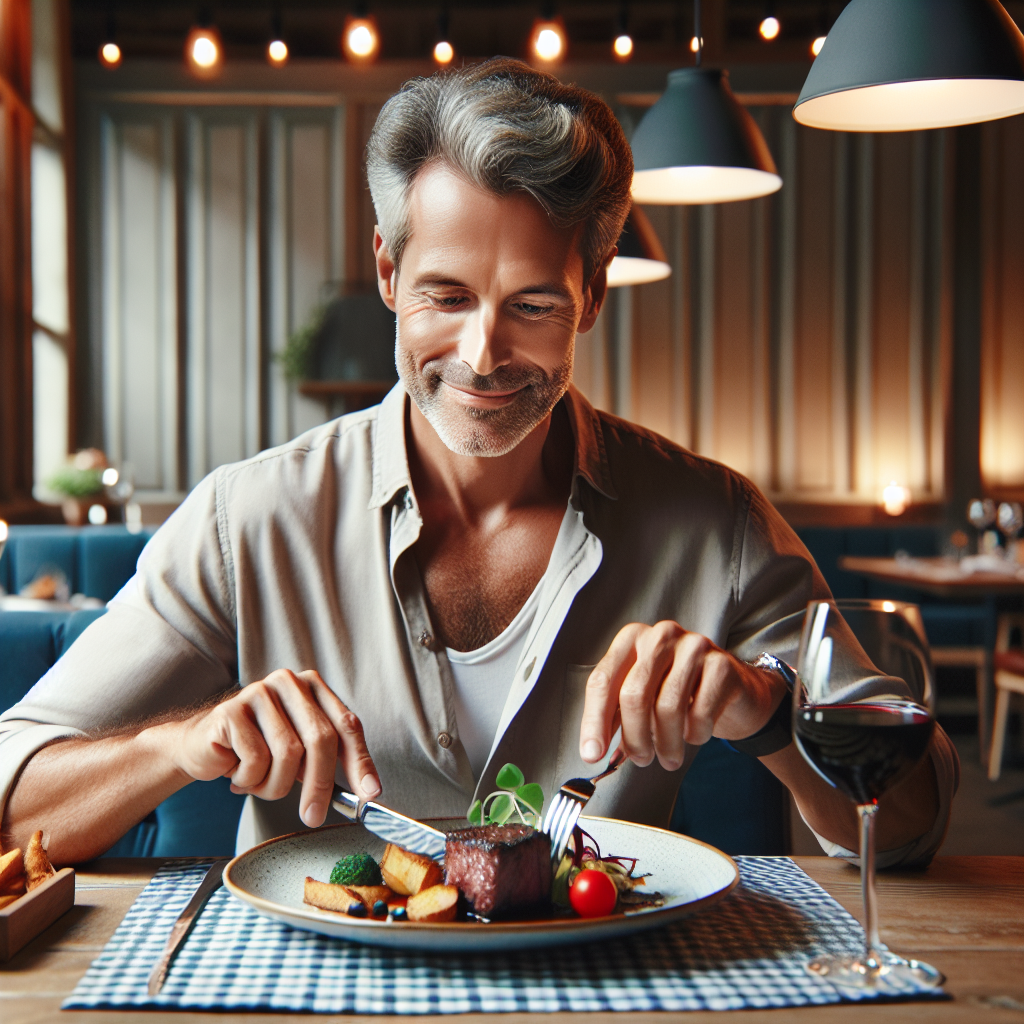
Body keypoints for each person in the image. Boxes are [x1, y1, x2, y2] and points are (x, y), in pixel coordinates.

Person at [0, 59, 956, 867]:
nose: (484, 354)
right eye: (444, 296)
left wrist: (772, 712)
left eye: (533, 304)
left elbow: (914, 829)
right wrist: (180, 741)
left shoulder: (720, 525)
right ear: (386, 272)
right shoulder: (245, 519)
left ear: (591, 296)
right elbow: (15, 803)